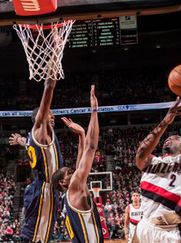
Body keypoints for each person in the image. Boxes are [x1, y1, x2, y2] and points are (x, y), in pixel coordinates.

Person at [133, 85, 181, 243]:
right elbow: (140, 152)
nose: (170, 137)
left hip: (170, 232)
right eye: (168, 137)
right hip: (145, 225)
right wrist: (165, 122)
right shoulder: (151, 161)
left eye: (176, 137)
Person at [11, 76, 64, 243]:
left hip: (44, 189)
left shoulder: (34, 139)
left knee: (41, 234)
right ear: (40, 117)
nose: (52, 115)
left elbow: (27, 145)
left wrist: (19, 140)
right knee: (36, 236)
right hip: (44, 190)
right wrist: (49, 85)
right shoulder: (41, 132)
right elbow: (44, 105)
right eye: (49, 113)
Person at [52, 85, 103, 243]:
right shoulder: (75, 187)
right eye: (69, 173)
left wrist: (81, 135)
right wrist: (94, 111)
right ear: (63, 182)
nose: (73, 172)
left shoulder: (67, 196)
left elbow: (80, 161)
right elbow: (91, 147)